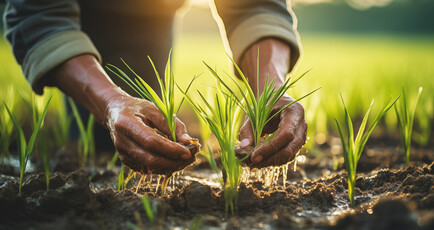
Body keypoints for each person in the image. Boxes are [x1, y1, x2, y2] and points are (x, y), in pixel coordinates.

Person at [4, 0, 307, 173]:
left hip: (155, 9)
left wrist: (271, 90)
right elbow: (38, 17)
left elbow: (256, 5)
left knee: (145, 143)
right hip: (85, 13)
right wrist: (110, 103)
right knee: (103, 147)